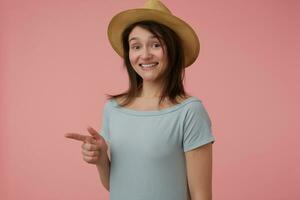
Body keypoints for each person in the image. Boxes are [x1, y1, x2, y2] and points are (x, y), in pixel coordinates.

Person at [65, 0, 216, 200]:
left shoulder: (189, 112)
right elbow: (115, 185)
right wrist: (101, 159)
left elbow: (201, 195)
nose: (145, 55)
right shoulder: (113, 109)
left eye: (155, 44)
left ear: (173, 50)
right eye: (136, 46)